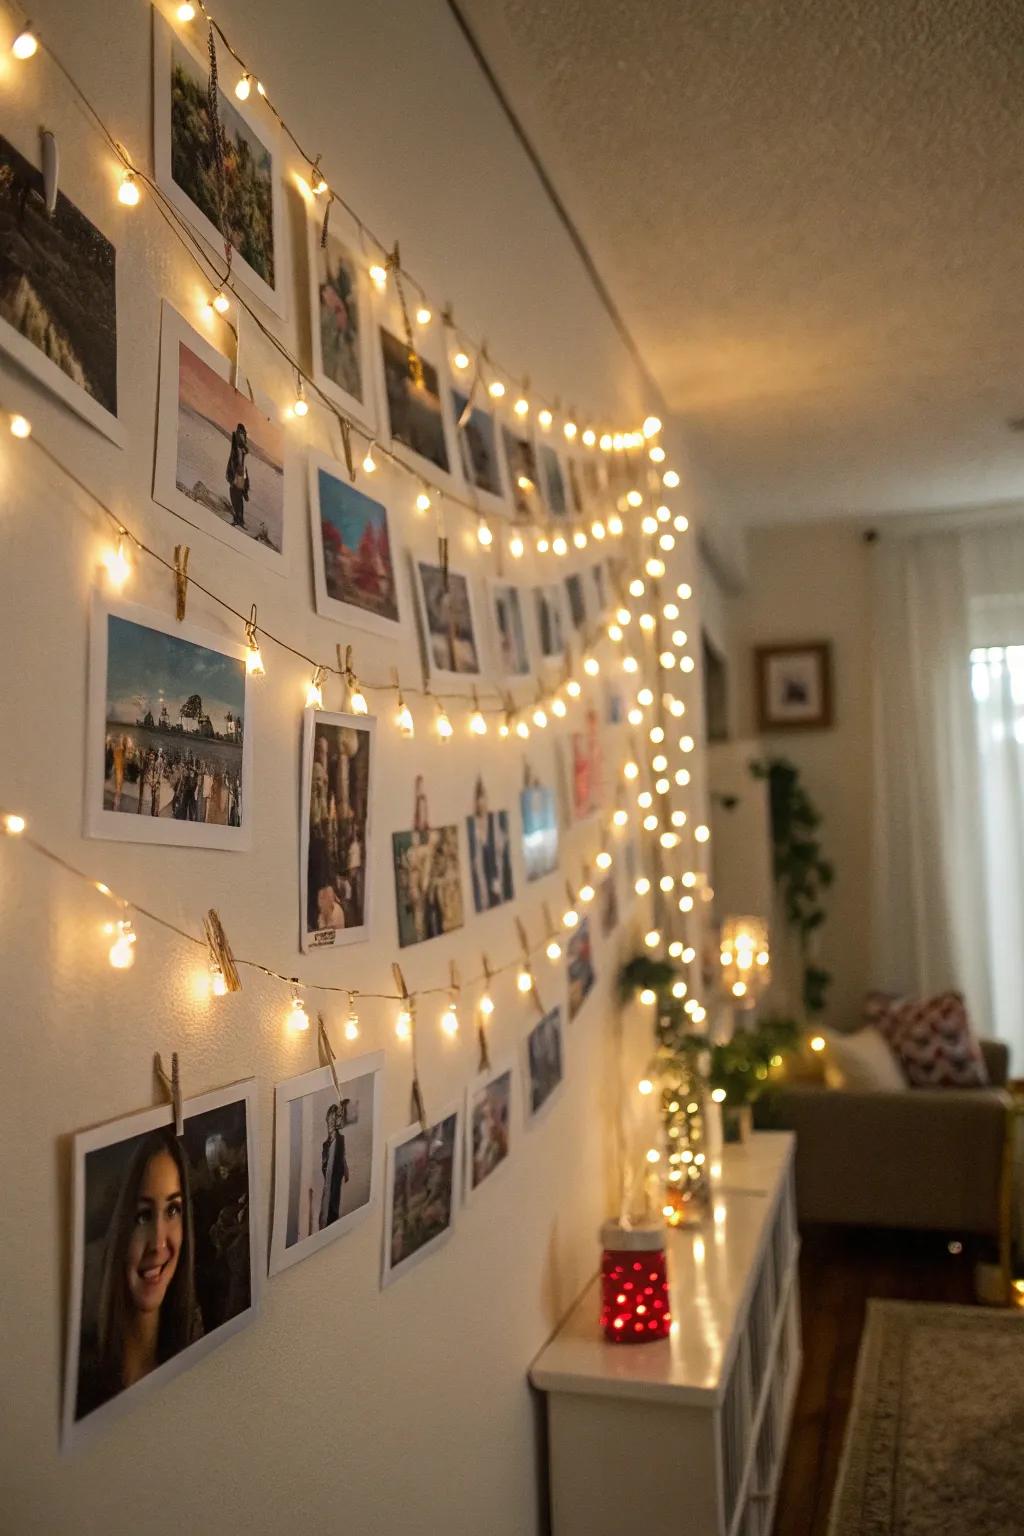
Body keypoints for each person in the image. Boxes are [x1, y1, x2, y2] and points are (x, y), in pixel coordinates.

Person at [75, 1128, 201, 1420]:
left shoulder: (194, 1348)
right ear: (119, 1229)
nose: (158, 1243)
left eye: (172, 1210)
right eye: (143, 1215)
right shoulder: (86, 1388)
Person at [318, 1104, 349, 1229]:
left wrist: (345, 1169)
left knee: (332, 1211)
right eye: (329, 1120)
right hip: (328, 1184)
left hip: (335, 1184)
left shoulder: (340, 1140)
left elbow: (342, 1158)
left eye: (333, 1119)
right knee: (324, 1212)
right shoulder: (326, 1144)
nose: (330, 1123)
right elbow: (324, 1165)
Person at [226, 424, 250, 527]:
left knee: (236, 495)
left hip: (238, 473)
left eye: (242, 434)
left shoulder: (241, 448)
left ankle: (239, 519)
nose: (240, 436)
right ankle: (239, 519)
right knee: (236, 495)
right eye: (239, 433)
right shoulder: (239, 447)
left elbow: (239, 446)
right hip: (237, 472)